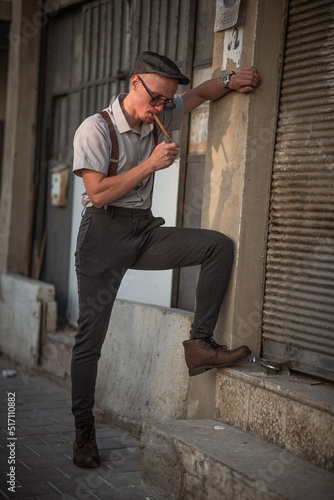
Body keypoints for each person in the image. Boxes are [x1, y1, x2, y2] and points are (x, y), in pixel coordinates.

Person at [71, 51, 261, 467]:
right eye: (155, 99)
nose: (160, 109)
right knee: (90, 339)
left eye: (164, 103)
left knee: (217, 246)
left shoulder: (164, 109)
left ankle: (199, 344)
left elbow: (197, 96)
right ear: (135, 83)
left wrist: (231, 80)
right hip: (103, 235)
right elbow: (98, 193)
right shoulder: (96, 128)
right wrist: (150, 165)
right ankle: (84, 431)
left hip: (143, 230)